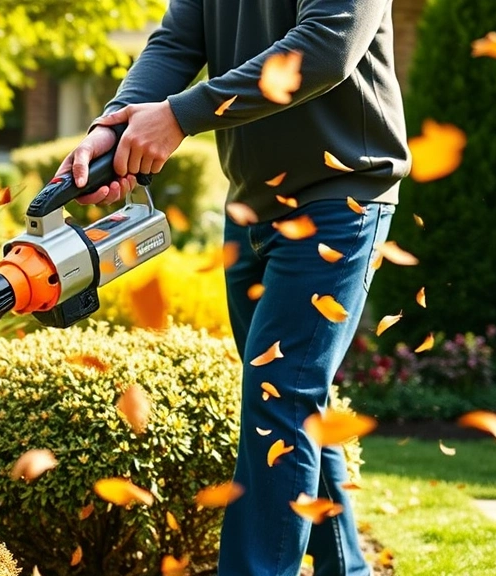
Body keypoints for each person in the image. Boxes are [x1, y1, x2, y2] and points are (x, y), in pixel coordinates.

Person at [55, 1, 411, 575]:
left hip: (341, 194)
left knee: (281, 399)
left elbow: (326, 48)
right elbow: (177, 41)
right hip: (254, 204)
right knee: (289, 399)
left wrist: (178, 116)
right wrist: (115, 126)